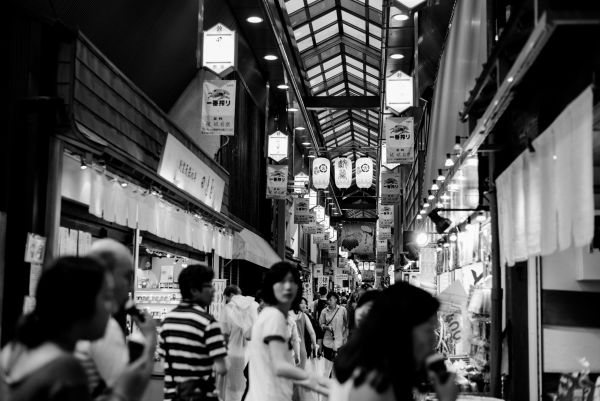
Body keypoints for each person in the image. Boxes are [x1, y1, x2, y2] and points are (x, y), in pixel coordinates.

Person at [0, 256, 155, 401]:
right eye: (107, 297)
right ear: (82, 303)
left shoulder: (14, 350)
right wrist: (123, 392)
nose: (114, 308)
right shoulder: (67, 369)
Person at [331, 282, 458, 401]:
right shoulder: (374, 388)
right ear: (402, 331)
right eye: (428, 330)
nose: (434, 340)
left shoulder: (390, 375)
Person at [75, 238, 157, 397]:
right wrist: (150, 339)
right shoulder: (102, 325)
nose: (131, 286)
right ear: (107, 275)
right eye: (127, 276)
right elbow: (128, 392)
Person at [246, 262, 329, 401]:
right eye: (281, 282)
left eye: (292, 281)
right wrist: (320, 383)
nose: (287, 286)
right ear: (271, 286)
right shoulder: (274, 317)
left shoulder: (272, 314)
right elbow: (280, 366)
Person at [159, 264, 228, 400]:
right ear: (194, 290)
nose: (214, 290)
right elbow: (222, 369)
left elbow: (163, 362)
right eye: (209, 285)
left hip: (173, 396)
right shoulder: (207, 322)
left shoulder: (167, 321)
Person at [221, 285, 257, 401]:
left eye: (226, 298)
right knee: (248, 384)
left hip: (233, 353)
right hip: (251, 353)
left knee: (232, 386)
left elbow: (224, 334)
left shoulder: (228, 308)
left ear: (231, 295)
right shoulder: (254, 305)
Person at [319, 292, 348, 376]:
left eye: (330, 299)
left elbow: (347, 325)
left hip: (339, 341)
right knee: (327, 365)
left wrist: (345, 337)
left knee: (338, 365)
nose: (328, 301)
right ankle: (328, 379)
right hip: (327, 341)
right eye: (327, 299)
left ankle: (337, 380)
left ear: (335, 299)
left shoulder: (342, 310)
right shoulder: (324, 311)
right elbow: (321, 324)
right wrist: (326, 327)